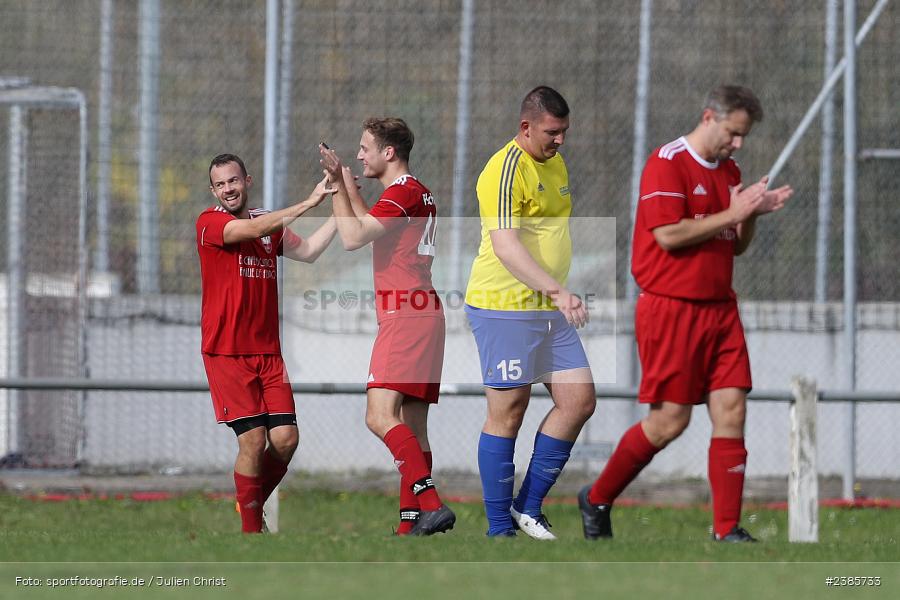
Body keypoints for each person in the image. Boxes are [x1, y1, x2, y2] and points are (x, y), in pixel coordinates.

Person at [578, 85, 793, 542]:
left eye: (743, 138)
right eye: (733, 133)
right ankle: (597, 496)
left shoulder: (729, 169)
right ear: (709, 117)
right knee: (669, 422)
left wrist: (751, 213)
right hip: (670, 310)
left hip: (721, 310)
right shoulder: (667, 162)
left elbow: (737, 244)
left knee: (732, 409)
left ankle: (726, 529)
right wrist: (731, 212)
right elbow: (669, 236)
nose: (737, 145)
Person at [464, 86, 596, 539]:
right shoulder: (503, 169)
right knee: (509, 411)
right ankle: (499, 530)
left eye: (563, 132)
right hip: (505, 306)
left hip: (546, 306)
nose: (560, 141)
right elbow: (505, 245)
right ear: (526, 127)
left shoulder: (554, 162)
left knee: (579, 400)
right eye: (551, 132)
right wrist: (558, 290)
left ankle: (527, 507)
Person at [319, 118, 455, 536]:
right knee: (413, 427)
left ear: (388, 153)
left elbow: (353, 238)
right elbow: (370, 225)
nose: (360, 155)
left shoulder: (402, 193)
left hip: (406, 317)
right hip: (425, 313)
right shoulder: (415, 192)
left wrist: (338, 185)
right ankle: (409, 523)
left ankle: (431, 505)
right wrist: (349, 187)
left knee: (379, 416)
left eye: (365, 148)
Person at [196, 153, 337, 533]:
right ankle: (249, 534)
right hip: (227, 353)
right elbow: (251, 232)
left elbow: (307, 252)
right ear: (213, 190)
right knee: (254, 441)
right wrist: (308, 203)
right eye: (221, 184)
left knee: (286, 440)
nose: (228, 189)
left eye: (233, 181)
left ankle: (248, 503)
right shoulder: (210, 224)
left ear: (248, 180)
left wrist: (340, 212)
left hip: (268, 354)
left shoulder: (266, 223)